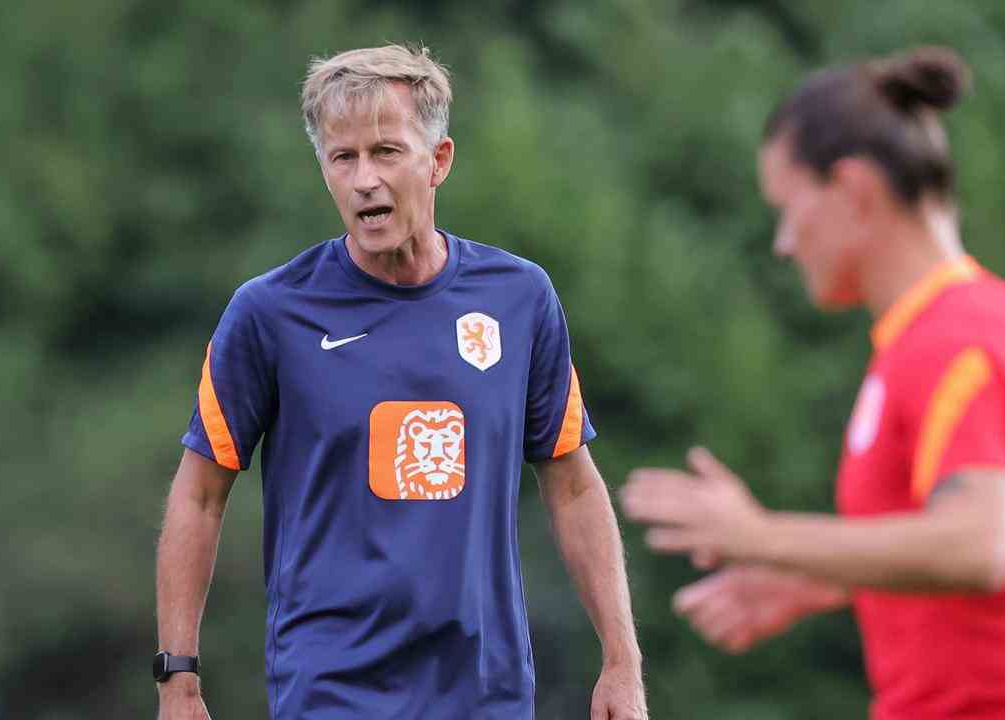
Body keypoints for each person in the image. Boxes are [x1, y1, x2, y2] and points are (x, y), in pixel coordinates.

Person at [155, 44, 647, 720]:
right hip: (331, 690)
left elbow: (572, 483)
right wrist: (178, 681)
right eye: (342, 157)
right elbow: (199, 496)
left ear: (438, 160)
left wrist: (622, 664)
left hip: (488, 693)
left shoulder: (519, 298)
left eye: (386, 152)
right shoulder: (269, 313)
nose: (363, 180)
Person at [620, 47, 1005, 719]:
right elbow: (964, 552)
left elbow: (978, 543)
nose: (784, 243)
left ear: (854, 190)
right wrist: (820, 580)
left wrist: (762, 534)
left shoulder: (957, 335)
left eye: (788, 208)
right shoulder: (929, 335)